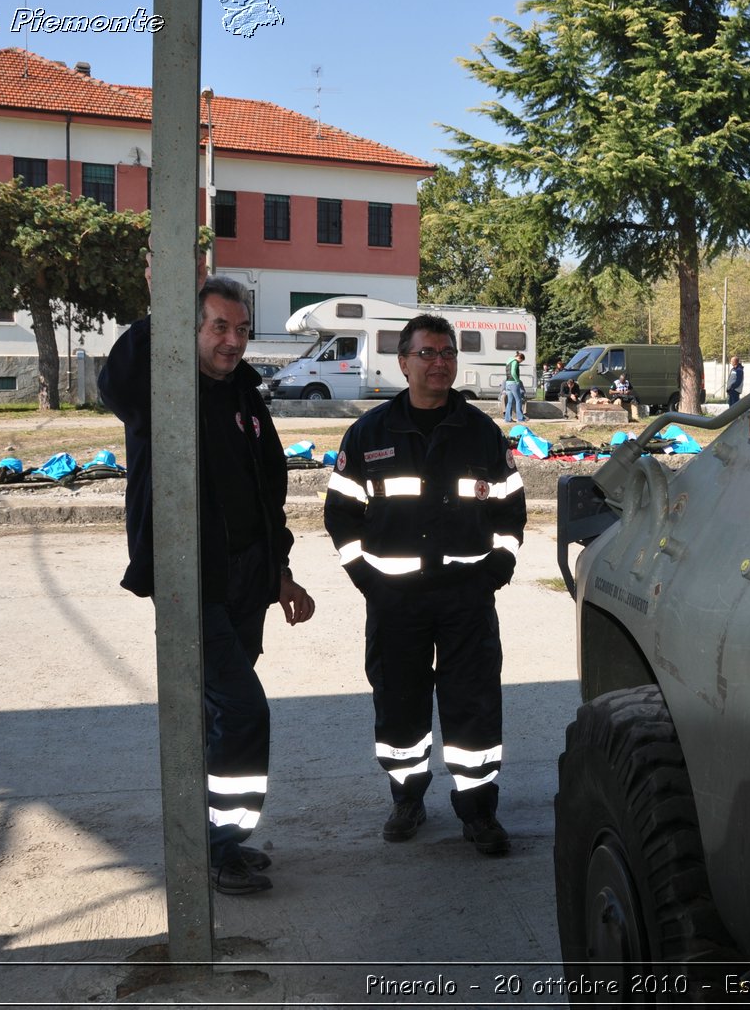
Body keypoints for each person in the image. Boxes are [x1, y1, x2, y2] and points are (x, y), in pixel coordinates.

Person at [98, 274, 317, 897]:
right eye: (219, 327)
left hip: (247, 580)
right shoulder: (161, 388)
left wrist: (281, 574)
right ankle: (217, 848)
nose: (233, 341)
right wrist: (160, 305)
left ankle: (218, 840)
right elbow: (117, 383)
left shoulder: (245, 394)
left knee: (220, 716)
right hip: (192, 584)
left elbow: (264, 493)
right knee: (243, 711)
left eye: (242, 330)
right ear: (188, 328)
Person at [323, 314, 525, 856]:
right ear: (403, 362)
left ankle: (479, 811)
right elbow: (341, 517)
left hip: (466, 601)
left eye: (447, 353)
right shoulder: (369, 434)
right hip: (396, 604)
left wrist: (496, 569)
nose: (439, 363)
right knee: (400, 705)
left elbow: (511, 512)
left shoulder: (483, 434)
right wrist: (368, 579)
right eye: (428, 353)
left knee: (474, 707)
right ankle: (406, 798)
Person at [502, 350, 525, 424]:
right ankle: (520, 418)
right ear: (520, 358)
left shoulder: (509, 361)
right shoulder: (515, 362)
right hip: (513, 383)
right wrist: (517, 380)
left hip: (507, 382)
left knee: (509, 402)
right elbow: (513, 372)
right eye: (521, 361)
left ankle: (507, 419)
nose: (520, 362)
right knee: (518, 400)